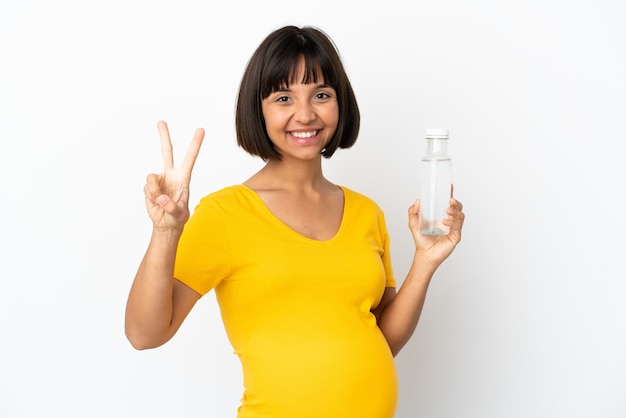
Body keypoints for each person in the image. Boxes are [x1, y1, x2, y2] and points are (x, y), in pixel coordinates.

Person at [125, 25, 465, 418]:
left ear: (341, 104)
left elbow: (383, 339)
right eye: (284, 97)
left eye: (321, 95)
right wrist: (166, 233)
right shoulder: (225, 213)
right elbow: (144, 334)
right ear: (259, 109)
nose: (305, 114)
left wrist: (425, 263)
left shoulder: (366, 212)